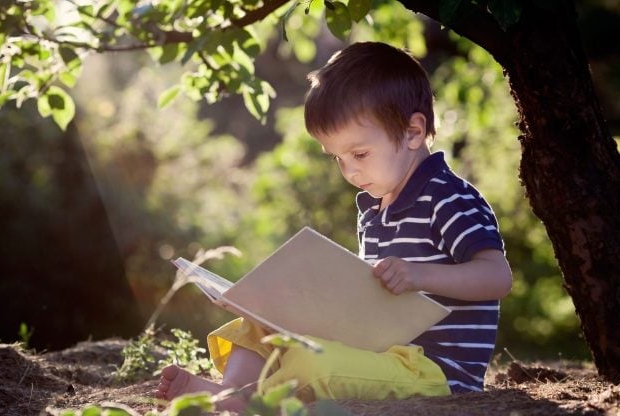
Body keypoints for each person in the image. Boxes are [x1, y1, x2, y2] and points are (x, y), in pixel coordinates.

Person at [155, 41, 512, 410]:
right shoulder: (373, 210)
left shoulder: (450, 198)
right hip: (375, 353)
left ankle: (252, 403)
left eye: (359, 154)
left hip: (434, 372)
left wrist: (419, 275)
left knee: (314, 364)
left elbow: (497, 277)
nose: (350, 171)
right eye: (338, 158)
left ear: (413, 132)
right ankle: (229, 392)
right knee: (260, 317)